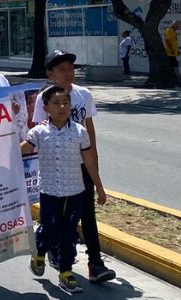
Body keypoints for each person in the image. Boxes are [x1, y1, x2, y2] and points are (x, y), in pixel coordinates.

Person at [32, 50, 116, 283]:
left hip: (81, 166)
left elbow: (89, 131)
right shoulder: (44, 98)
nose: (68, 73)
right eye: (61, 69)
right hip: (58, 168)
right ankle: (52, 248)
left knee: (87, 214)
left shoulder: (84, 95)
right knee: (57, 217)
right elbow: (39, 132)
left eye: (70, 68)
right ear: (50, 73)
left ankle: (95, 263)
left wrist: (94, 168)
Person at [23, 85, 107, 294]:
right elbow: (22, 149)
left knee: (69, 233)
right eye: (56, 103)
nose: (62, 107)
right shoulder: (39, 131)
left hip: (75, 191)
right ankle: (40, 252)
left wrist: (99, 186)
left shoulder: (80, 132)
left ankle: (66, 272)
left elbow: (88, 160)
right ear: (46, 107)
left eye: (66, 103)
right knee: (49, 228)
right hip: (50, 191)